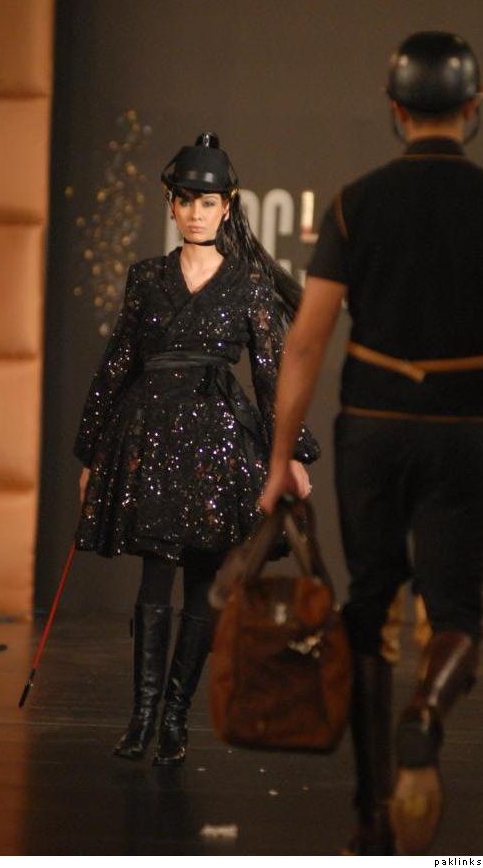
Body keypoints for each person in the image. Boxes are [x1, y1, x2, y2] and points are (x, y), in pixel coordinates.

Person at [260, 32, 483, 854]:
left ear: (395, 109)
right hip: (461, 430)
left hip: (369, 429)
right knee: (456, 612)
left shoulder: (353, 203)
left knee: (369, 606)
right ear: (472, 108)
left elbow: (306, 343)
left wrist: (279, 460)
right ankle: (425, 710)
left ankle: (370, 816)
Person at [74, 133, 318, 767]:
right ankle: (141, 716)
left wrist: (291, 453)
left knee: (205, 582)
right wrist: (92, 453)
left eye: (207, 202)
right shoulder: (147, 278)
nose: (196, 212)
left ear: (227, 207)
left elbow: (269, 374)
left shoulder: (248, 284)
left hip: (217, 444)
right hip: (152, 437)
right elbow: (117, 365)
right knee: (155, 578)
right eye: (186, 200)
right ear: (171, 205)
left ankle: (176, 717)